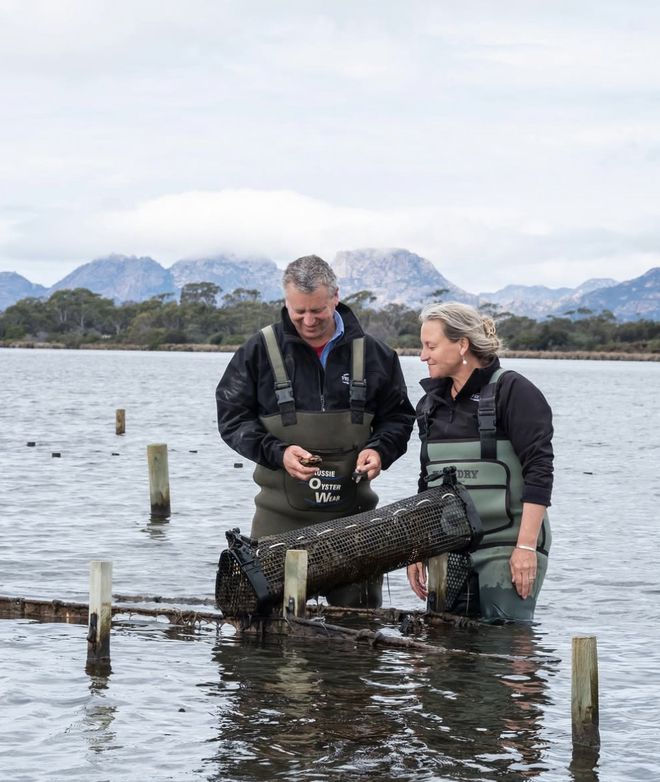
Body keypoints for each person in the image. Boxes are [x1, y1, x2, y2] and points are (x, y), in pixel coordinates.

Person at [216, 254, 415, 608]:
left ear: (335, 297)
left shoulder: (377, 355)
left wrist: (381, 449)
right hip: (279, 522)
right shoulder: (257, 352)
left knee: (357, 633)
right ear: (286, 303)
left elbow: (399, 418)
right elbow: (232, 418)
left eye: (318, 311)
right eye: (299, 311)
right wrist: (277, 452)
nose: (308, 320)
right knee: (268, 631)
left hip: (354, 523)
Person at [406, 302, 553, 622]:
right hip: (448, 547)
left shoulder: (514, 391)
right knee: (443, 655)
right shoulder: (429, 405)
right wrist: (417, 549)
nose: (422, 355)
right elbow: (426, 480)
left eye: (430, 346)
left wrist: (525, 548)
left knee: (506, 646)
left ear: (462, 344)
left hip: (507, 546)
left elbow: (539, 471)